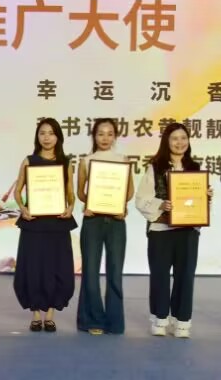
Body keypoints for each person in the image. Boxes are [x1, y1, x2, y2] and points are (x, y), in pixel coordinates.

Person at [135, 122, 212, 339]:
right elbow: (141, 199)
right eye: (175, 139)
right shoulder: (155, 167)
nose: (180, 143)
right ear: (166, 142)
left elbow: (199, 203)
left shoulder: (195, 168)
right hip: (161, 229)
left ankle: (182, 320)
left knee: (185, 275)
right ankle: (160, 318)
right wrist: (162, 204)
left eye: (183, 138)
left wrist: (205, 198)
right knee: (159, 275)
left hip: (188, 230)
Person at [12, 118, 77, 333]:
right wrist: (23, 208)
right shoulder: (29, 161)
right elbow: (17, 191)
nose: (46, 137)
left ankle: (49, 315)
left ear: (58, 136)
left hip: (57, 224)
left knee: (56, 268)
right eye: (42, 133)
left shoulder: (65, 162)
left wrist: (70, 207)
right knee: (33, 267)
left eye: (51, 133)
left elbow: (70, 193)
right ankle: (35, 314)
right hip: (34, 223)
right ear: (37, 137)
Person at [75, 118, 134, 335]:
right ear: (94, 136)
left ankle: (115, 322)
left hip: (116, 222)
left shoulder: (123, 160)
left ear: (115, 137)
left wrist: (122, 206)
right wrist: (89, 204)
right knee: (90, 271)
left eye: (110, 134)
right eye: (101, 133)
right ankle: (93, 320)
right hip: (93, 221)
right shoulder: (86, 161)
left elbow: (129, 191)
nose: (105, 138)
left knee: (115, 272)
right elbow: (80, 192)